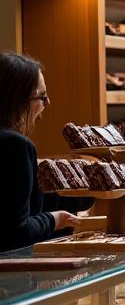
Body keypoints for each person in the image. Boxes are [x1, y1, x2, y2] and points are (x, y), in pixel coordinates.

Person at [0, 52, 90, 252]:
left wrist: (88, 190)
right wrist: (55, 220)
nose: (48, 102)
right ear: (17, 100)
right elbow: (15, 233)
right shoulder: (15, 146)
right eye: (42, 97)